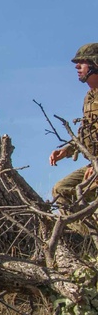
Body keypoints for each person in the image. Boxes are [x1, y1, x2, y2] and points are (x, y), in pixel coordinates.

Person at [50, 42, 98, 212]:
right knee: (61, 191)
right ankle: (82, 239)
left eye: (83, 62)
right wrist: (68, 150)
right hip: (94, 164)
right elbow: (90, 133)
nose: (77, 66)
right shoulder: (90, 97)